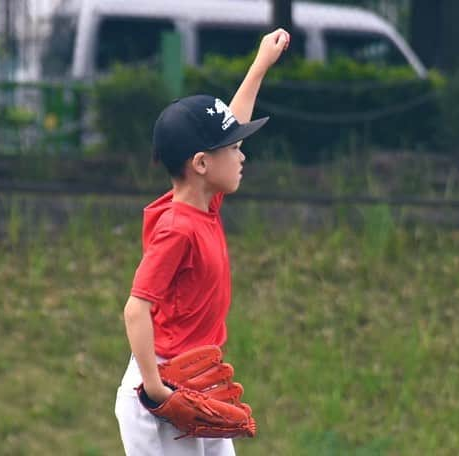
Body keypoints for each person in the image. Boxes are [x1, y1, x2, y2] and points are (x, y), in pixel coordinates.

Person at [114, 28, 290, 456]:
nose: (242, 153)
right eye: (231, 149)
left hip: (198, 380)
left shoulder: (205, 204)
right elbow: (136, 308)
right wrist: (155, 391)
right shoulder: (177, 226)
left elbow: (235, 122)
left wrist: (260, 65)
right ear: (201, 163)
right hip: (161, 393)